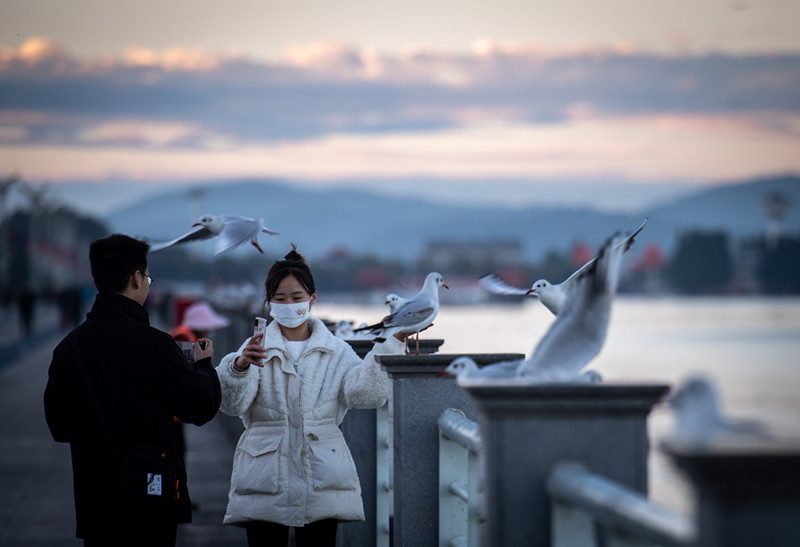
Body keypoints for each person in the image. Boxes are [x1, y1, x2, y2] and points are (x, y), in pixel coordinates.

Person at [216, 245, 408, 547]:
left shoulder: (337, 350)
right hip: (266, 474)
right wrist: (239, 367)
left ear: (312, 298)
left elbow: (364, 394)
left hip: (322, 474)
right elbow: (232, 404)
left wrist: (391, 344)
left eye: (296, 297)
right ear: (268, 303)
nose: (289, 305)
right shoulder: (253, 347)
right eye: (280, 299)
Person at [44, 234, 222, 546]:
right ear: (137, 278)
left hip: (95, 506)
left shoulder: (69, 348)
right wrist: (205, 365)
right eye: (148, 276)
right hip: (151, 503)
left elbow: (59, 427)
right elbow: (201, 406)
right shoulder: (155, 345)